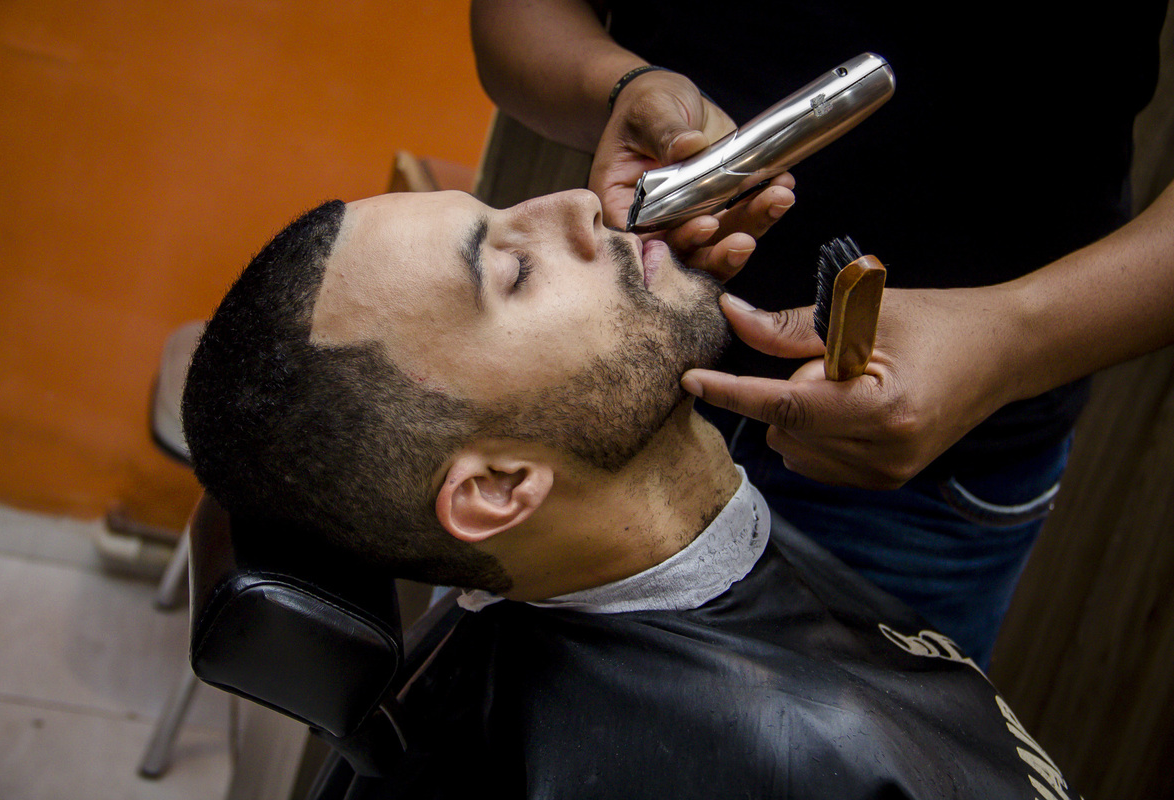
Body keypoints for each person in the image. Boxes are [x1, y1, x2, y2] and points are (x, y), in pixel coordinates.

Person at [181, 190, 1080, 798]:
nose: (578, 202)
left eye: (506, 215)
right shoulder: (807, 758)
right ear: (498, 488)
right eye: (514, 271)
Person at [470, 0, 1172, 665]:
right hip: (599, 392)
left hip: (920, 471)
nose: (565, 216)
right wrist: (617, 88)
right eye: (499, 264)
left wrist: (1010, 342)